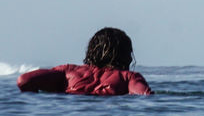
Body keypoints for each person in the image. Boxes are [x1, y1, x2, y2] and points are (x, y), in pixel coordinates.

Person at [17, 27, 153, 96]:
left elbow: (23, 80)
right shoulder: (128, 77)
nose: (130, 58)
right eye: (129, 52)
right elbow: (143, 96)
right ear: (124, 54)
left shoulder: (67, 72)